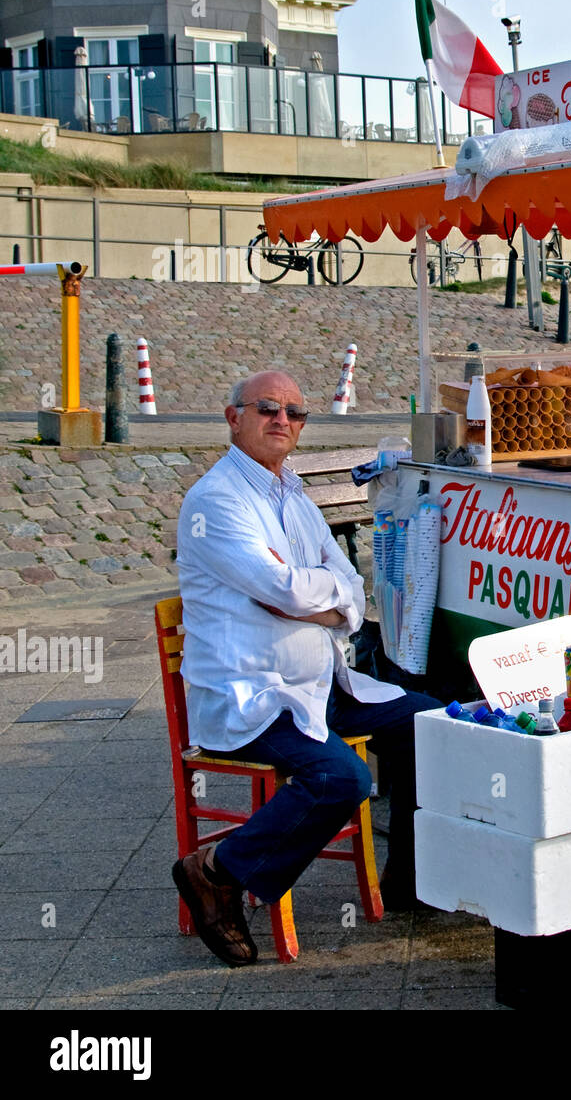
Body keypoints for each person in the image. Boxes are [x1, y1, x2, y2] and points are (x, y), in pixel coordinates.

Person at [173, 370, 440, 966]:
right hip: (254, 691)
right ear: (232, 416)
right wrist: (314, 595)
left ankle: (411, 882)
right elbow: (284, 589)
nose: (283, 421)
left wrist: (319, 597)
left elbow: (347, 578)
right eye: (267, 408)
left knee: (435, 725)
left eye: (295, 413)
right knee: (342, 779)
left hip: (323, 683)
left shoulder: (290, 492)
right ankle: (217, 870)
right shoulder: (217, 501)